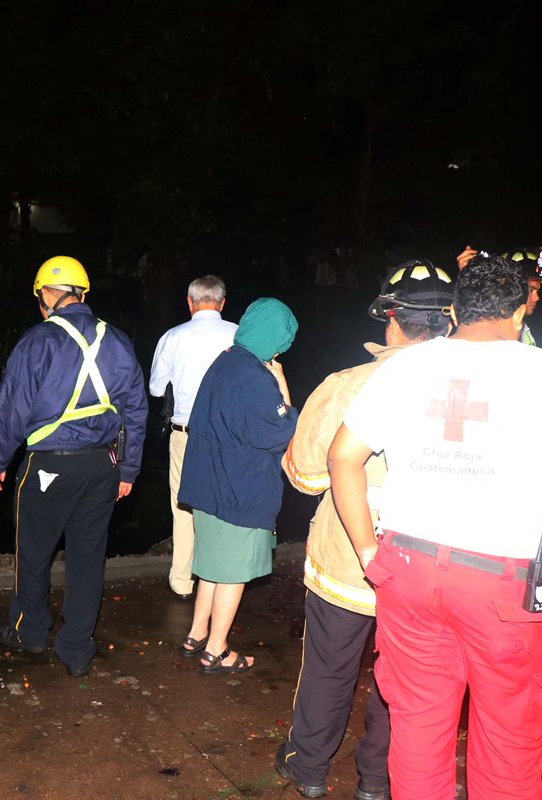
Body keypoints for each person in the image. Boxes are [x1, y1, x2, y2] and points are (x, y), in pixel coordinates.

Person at [329, 253, 542, 800]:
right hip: (503, 587)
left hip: (407, 572)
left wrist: (368, 552)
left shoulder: (406, 366)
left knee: (416, 725)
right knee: (508, 734)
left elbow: (343, 458)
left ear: (455, 310)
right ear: (518, 314)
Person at [274, 259, 453, 800]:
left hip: (349, 560)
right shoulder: (473, 388)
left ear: (391, 319)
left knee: (329, 666)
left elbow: (306, 475)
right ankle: (378, 781)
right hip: (429, 565)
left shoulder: (348, 385)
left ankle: (307, 767)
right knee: (405, 681)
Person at [0, 255, 147, 678]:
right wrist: (127, 471)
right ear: (83, 294)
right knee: (88, 558)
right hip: (102, 467)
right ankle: (76, 650)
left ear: (44, 296)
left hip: (49, 467)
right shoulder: (118, 341)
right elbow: (135, 410)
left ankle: (31, 632)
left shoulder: (36, 341)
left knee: (34, 554)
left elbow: (10, 408)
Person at [177, 297, 299, 673]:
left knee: (211, 565)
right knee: (232, 573)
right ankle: (216, 650)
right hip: (237, 492)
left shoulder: (225, 359)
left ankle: (196, 634)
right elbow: (282, 432)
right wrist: (282, 386)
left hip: (206, 486)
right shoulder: (256, 378)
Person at [148, 275, 238, 600]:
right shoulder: (238, 334)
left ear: (189, 302)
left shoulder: (172, 337)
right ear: (222, 302)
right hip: (229, 437)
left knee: (183, 508)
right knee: (223, 506)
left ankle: (183, 581)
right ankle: (221, 576)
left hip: (186, 434)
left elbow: (156, 388)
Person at [503, 247, 542, 346]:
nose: (537, 298)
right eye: (531, 290)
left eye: (537, 291)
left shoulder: (526, 333)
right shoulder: (485, 331)